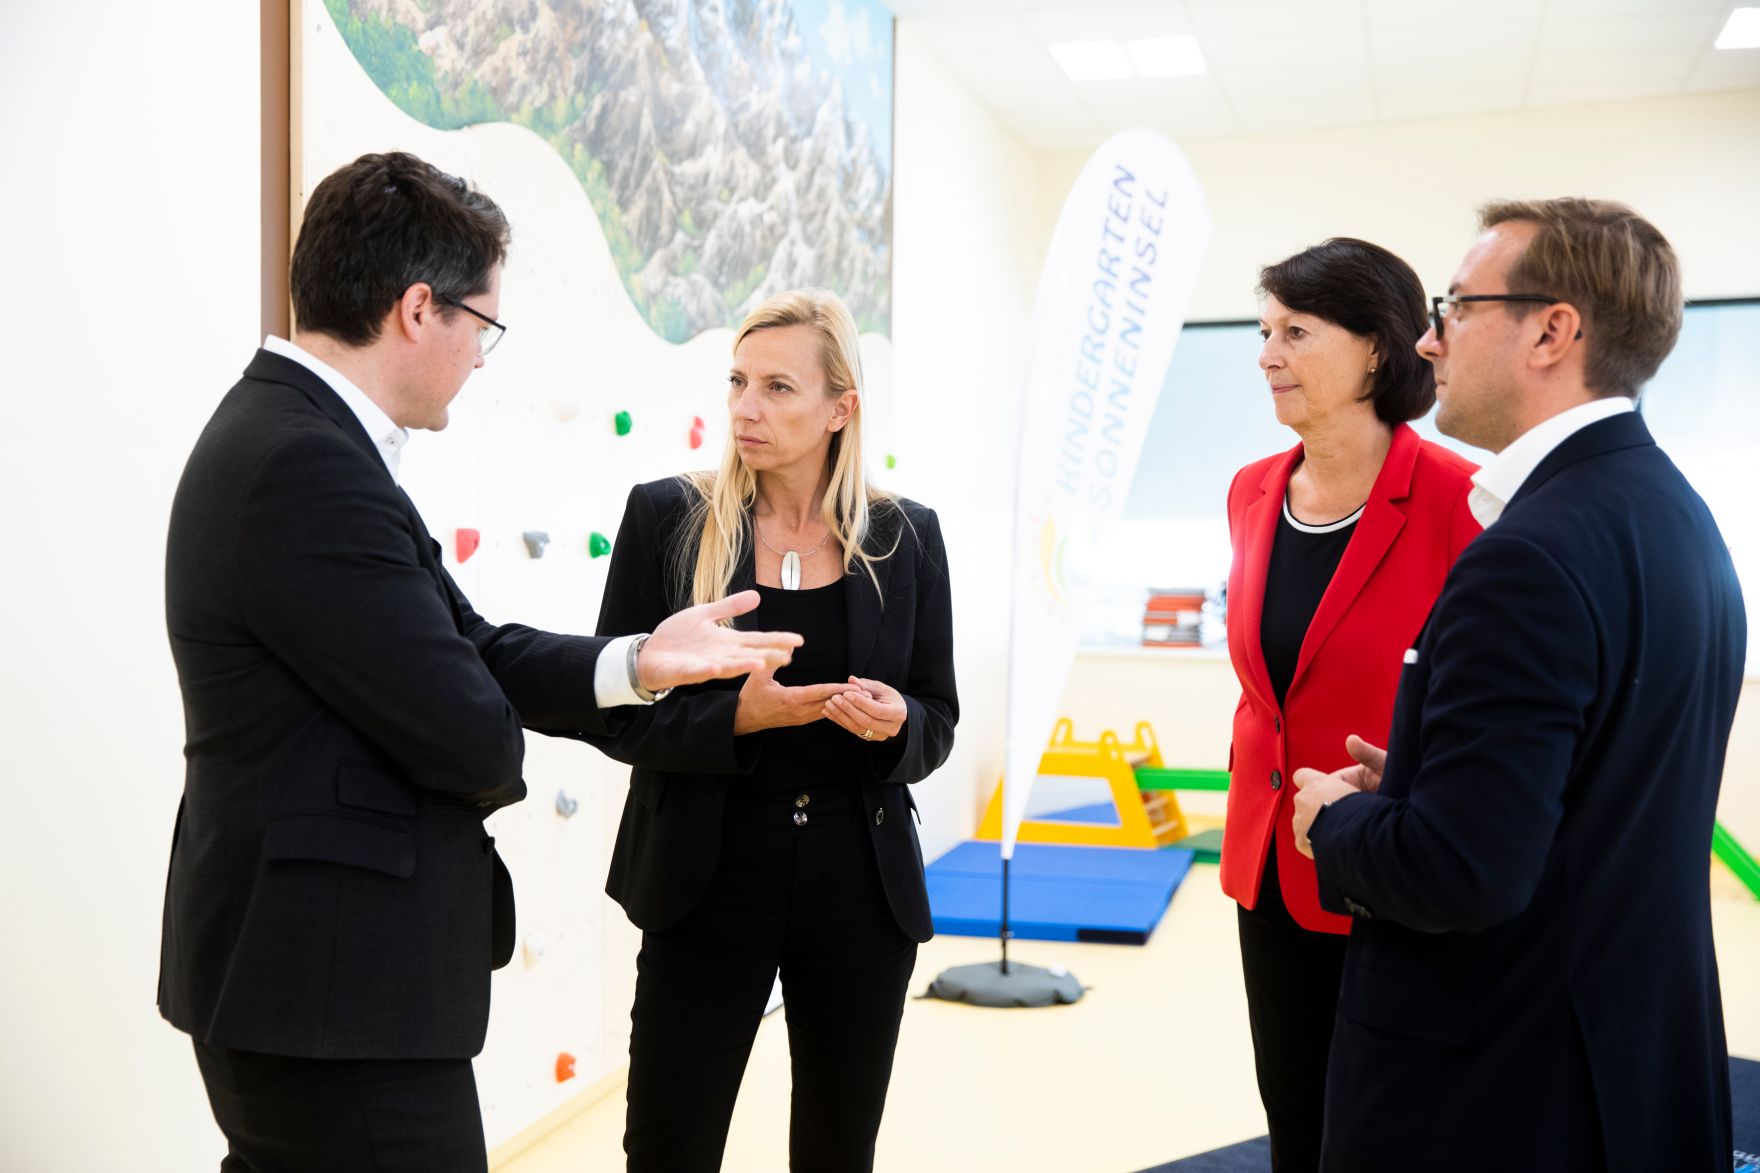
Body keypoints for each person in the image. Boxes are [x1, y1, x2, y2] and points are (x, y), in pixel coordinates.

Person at [159, 150, 801, 1173]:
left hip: (309, 980)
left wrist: (640, 660)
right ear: (420, 309)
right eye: (482, 327)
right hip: (333, 992)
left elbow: (472, 642)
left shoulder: (302, 438)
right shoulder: (304, 463)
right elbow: (470, 732)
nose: (481, 358)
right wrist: (501, 728)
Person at [1292, 199, 1745, 1172]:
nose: (1429, 340)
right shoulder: (1674, 518)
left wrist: (1335, 818)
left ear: (1551, 331)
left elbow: (1462, 871)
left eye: (1454, 307)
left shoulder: (1527, 556)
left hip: (1501, 1083)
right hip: (1623, 1054)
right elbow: (1593, 796)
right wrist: (1424, 781)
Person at [588, 288, 957, 1172]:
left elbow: (938, 717)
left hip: (860, 886)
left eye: (778, 387)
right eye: (738, 382)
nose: (746, 407)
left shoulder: (907, 536)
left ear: (841, 408)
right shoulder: (666, 518)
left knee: (838, 1149)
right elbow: (613, 709)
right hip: (705, 877)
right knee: (669, 1147)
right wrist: (733, 719)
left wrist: (899, 724)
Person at [1220, 238, 1480, 1172]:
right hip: (1270, 863)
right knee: (1294, 1113)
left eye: (1295, 332)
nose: (1268, 355)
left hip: (1394, 868)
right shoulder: (1252, 491)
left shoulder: (1463, 501)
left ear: (1377, 347)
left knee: (1393, 1128)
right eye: (1263, 332)